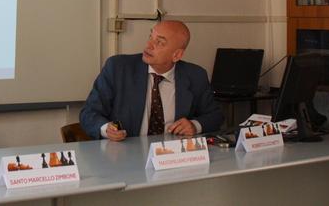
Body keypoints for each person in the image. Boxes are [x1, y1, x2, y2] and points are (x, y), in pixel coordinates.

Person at [79, 20, 222, 141]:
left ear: (177, 55)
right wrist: (106, 129)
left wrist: (194, 125)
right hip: (125, 155)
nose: (148, 45)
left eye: (159, 42)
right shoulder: (118, 68)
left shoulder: (195, 75)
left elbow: (215, 116)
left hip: (173, 157)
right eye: (150, 37)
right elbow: (89, 113)